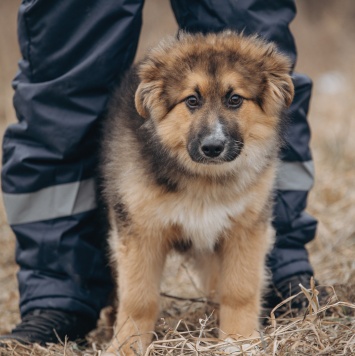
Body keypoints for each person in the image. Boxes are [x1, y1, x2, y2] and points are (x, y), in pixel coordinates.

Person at [0, 0, 317, 345]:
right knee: (68, 68)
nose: (214, 135)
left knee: (249, 17)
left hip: (244, 191)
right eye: (191, 103)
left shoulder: (264, 96)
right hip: (152, 176)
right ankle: (59, 289)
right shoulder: (143, 150)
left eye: (235, 100)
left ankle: (279, 273)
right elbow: (135, 237)